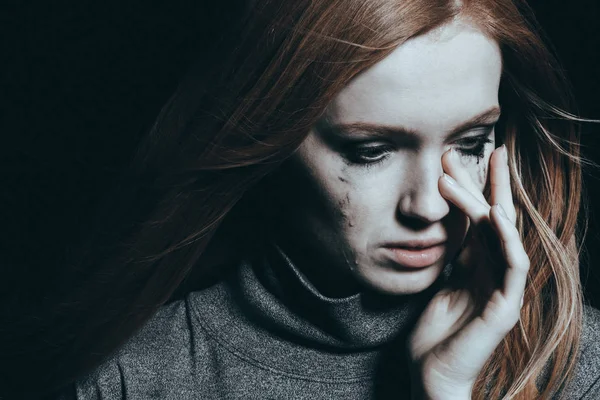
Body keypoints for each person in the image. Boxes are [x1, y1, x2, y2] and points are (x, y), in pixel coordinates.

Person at [13, 0, 600, 399]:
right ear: (272, 142)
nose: (430, 207)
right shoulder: (134, 379)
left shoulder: (579, 364)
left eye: (470, 142)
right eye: (370, 151)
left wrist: (447, 393)